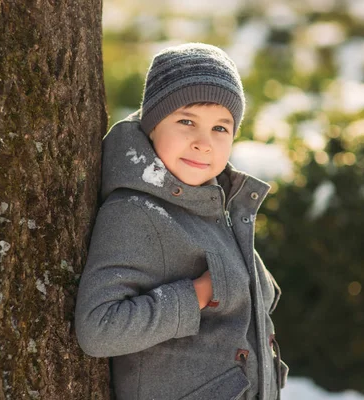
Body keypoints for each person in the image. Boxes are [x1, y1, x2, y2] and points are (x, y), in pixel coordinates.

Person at [75, 42, 289, 400]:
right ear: (152, 126)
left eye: (221, 128)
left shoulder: (214, 205)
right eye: (186, 121)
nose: (203, 143)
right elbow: (100, 328)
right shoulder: (136, 212)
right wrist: (197, 295)